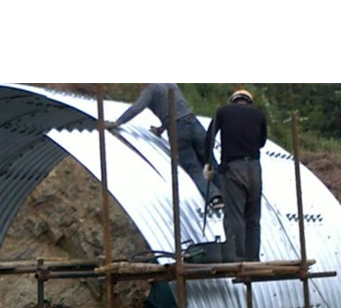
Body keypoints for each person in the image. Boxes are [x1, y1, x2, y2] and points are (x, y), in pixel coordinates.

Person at [108, 83, 223, 212]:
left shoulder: (151, 90)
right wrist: (161, 129)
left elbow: (136, 108)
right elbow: (176, 109)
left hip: (177, 130)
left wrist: (117, 122)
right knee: (210, 162)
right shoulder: (171, 84)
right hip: (195, 124)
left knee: (193, 167)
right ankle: (229, 195)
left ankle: (215, 198)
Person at [204, 89, 268, 262]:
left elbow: (209, 137)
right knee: (253, 218)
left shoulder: (223, 112)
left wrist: (209, 162)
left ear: (233, 101)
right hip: (254, 168)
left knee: (235, 215)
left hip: (233, 168)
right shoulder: (259, 115)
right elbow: (262, 142)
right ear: (249, 102)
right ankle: (253, 258)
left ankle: (238, 258)